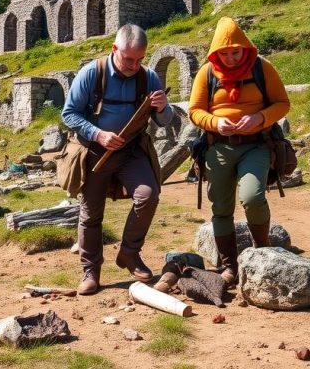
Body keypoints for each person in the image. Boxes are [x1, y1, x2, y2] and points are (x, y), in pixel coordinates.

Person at [61, 24, 172, 295]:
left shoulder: (149, 78)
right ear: (114, 49)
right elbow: (69, 114)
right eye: (128, 58)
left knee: (148, 195)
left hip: (132, 151)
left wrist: (162, 107)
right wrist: (98, 134)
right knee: (90, 215)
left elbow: (165, 120)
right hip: (93, 152)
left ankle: (129, 254)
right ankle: (91, 272)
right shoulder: (92, 73)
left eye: (140, 59)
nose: (134, 64)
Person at [188, 17, 290, 285]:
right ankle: (229, 266)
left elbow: (282, 103)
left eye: (236, 52)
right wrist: (216, 122)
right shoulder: (207, 72)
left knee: (253, 196)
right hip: (217, 148)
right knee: (221, 207)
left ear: (245, 47)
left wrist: (260, 118)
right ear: (215, 52)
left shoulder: (262, 67)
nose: (232, 58)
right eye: (225, 53)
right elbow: (195, 111)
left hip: (256, 145)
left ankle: (262, 253)